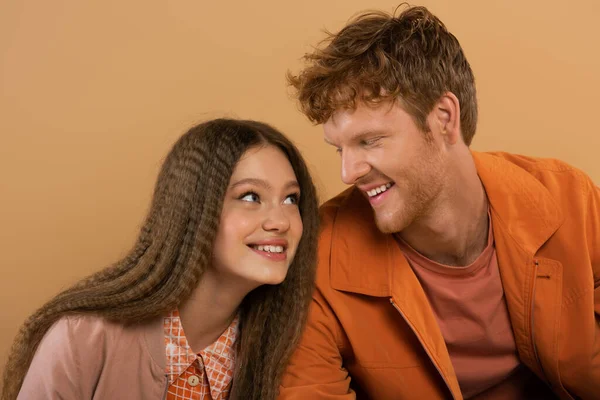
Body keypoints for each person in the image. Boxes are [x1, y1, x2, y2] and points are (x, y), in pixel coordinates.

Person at [279, 5, 600, 400]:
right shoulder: (316, 261)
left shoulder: (572, 199)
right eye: (338, 149)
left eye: (370, 141)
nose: (348, 173)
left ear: (444, 118)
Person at [1, 118, 319, 400]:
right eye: (250, 196)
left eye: (291, 199)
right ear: (193, 209)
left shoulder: (291, 351)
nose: (281, 221)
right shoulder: (82, 338)